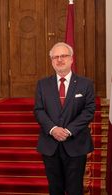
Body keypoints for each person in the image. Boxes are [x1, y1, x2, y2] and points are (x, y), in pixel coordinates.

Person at [34, 42, 96, 195]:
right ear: (52, 61)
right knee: (55, 189)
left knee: (75, 189)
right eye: (55, 57)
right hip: (50, 145)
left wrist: (68, 131)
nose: (59, 59)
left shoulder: (86, 84)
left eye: (63, 56)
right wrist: (53, 129)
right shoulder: (42, 85)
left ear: (71, 59)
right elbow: (39, 110)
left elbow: (88, 111)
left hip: (76, 144)